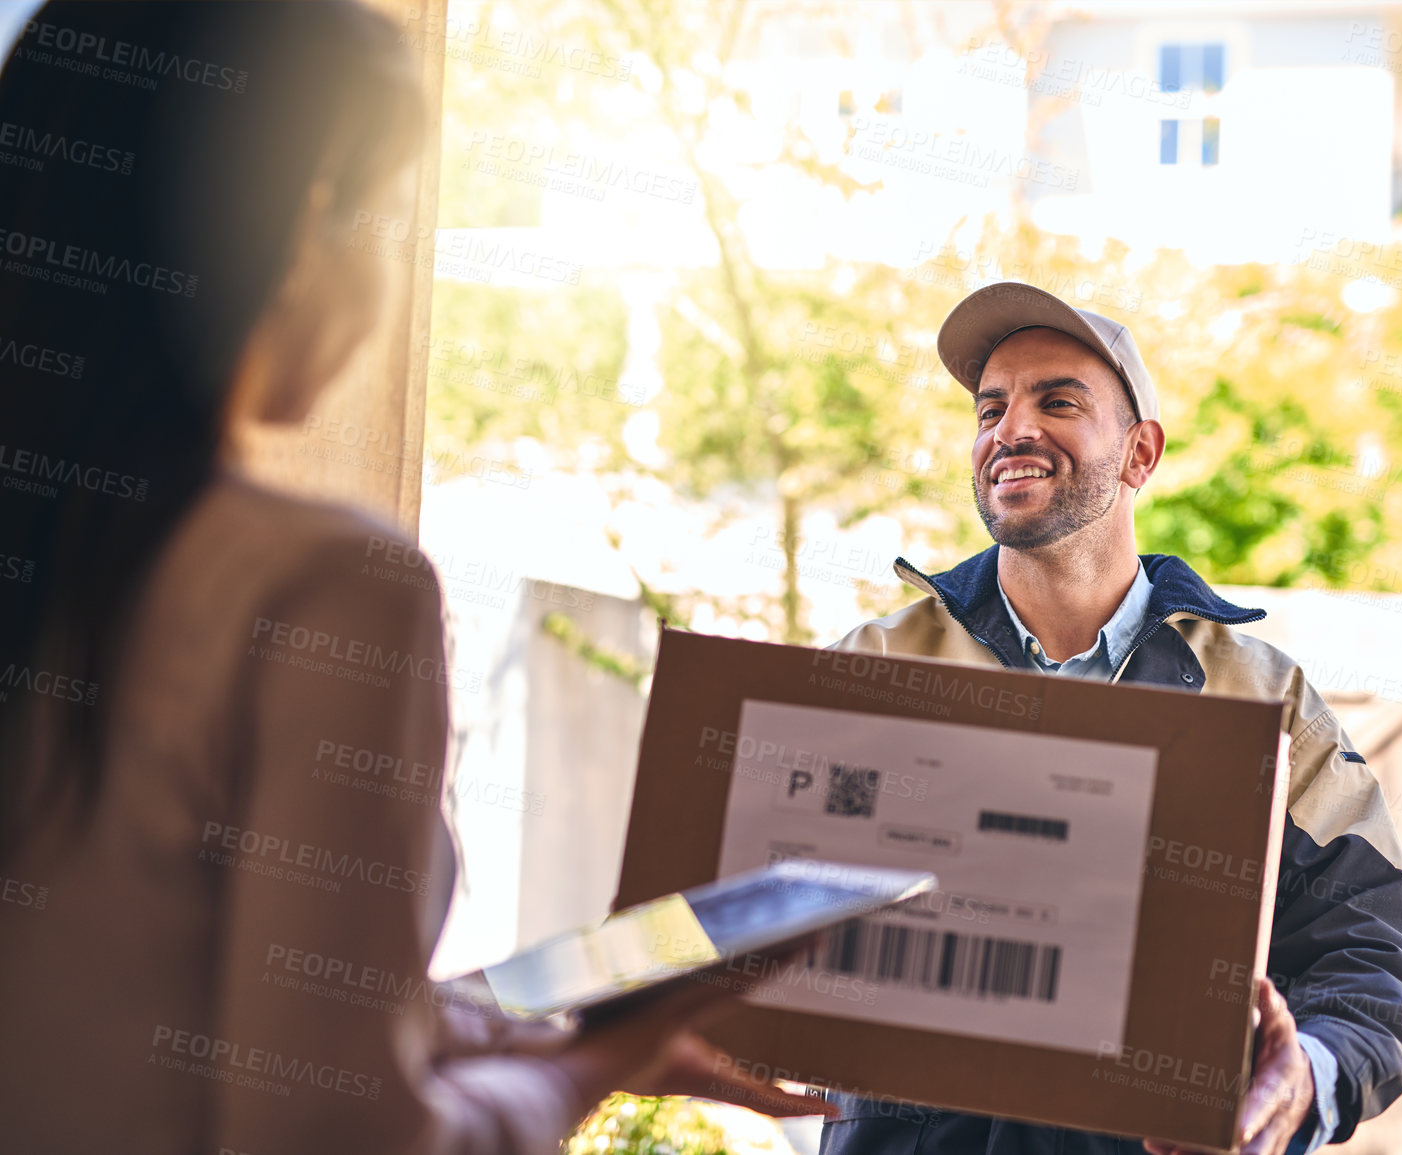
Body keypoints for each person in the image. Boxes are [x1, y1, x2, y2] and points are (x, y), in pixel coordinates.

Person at [0, 4, 819, 1152]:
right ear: (306, 220)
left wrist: (512, 1023)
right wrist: (601, 1060)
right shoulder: (327, 589)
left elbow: (138, 991)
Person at [819, 283, 1402, 1155]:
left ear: (1139, 453)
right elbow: (749, 901)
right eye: (990, 407)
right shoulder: (878, 666)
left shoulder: (1259, 698)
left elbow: (1369, 958)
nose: (1010, 430)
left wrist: (1302, 1077)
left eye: (1056, 401)